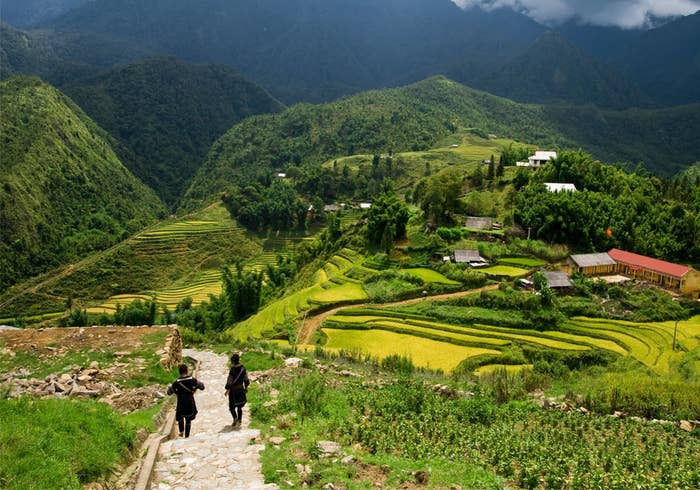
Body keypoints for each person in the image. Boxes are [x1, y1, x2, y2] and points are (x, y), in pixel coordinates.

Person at [167, 364, 205, 438]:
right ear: (187, 371)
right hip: (190, 402)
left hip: (181, 402)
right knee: (188, 420)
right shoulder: (192, 380)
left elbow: (169, 392)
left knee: (181, 417)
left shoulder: (176, 382)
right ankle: (187, 436)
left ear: (179, 372)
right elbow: (202, 387)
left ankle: (181, 431)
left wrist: (171, 388)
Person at [224, 353, 250, 427]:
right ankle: (240, 420)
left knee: (231, 407)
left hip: (233, 391)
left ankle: (235, 418)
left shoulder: (232, 369)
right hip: (240, 389)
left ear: (232, 361)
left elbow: (230, 380)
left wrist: (227, 389)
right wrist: (246, 387)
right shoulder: (243, 368)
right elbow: (246, 380)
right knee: (239, 406)